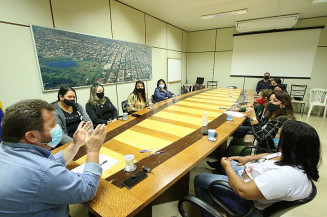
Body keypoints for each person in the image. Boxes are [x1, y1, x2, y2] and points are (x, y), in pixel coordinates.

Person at [0, 99, 107, 217]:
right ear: (31, 136)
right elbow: (87, 189)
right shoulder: (43, 171)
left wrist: (76, 143)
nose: (57, 128)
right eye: (52, 125)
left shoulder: (6, 149)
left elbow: (51, 162)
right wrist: (93, 150)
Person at [195, 120, 320, 217]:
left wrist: (228, 168)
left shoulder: (286, 176)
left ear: (288, 143)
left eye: (279, 134)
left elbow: (243, 191)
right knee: (228, 160)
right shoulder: (295, 156)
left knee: (200, 178)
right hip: (249, 173)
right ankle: (218, 193)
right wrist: (248, 159)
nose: (276, 136)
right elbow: (269, 156)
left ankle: (207, 213)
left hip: (248, 202)